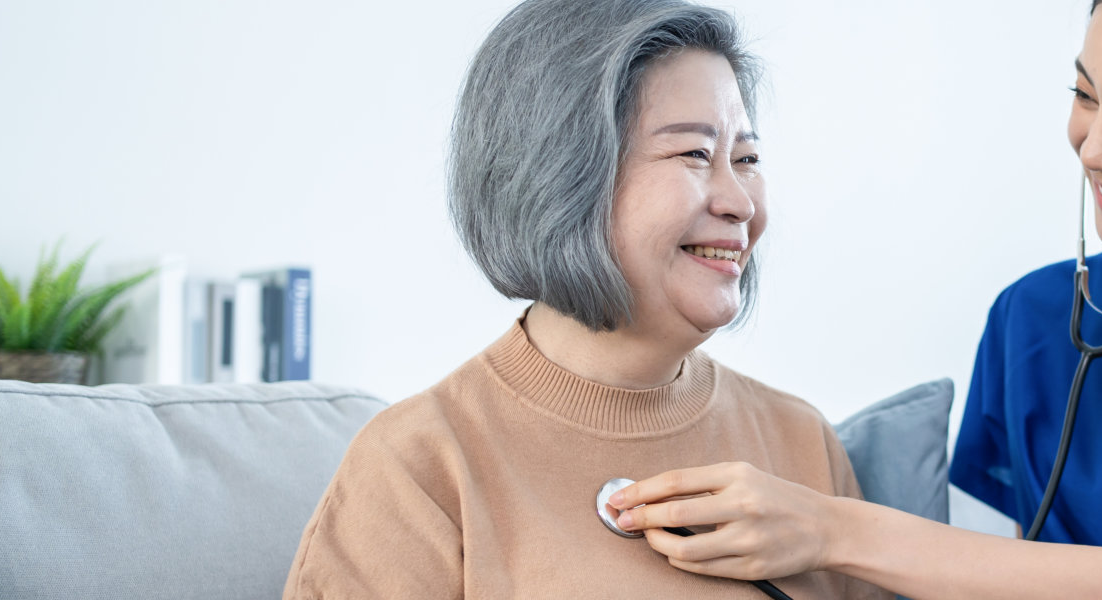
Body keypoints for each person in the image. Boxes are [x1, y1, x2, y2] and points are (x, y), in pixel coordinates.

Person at [606, 0, 1102, 598]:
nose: (1096, 147)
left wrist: (825, 527)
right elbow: (983, 563)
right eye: (1085, 95)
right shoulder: (1035, 318)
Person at [281, 0, 887, 597]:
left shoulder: (802, 441)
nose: (741, 203)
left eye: (746, 159)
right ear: (561, 176)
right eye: (695, 154)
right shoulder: (417, 468)